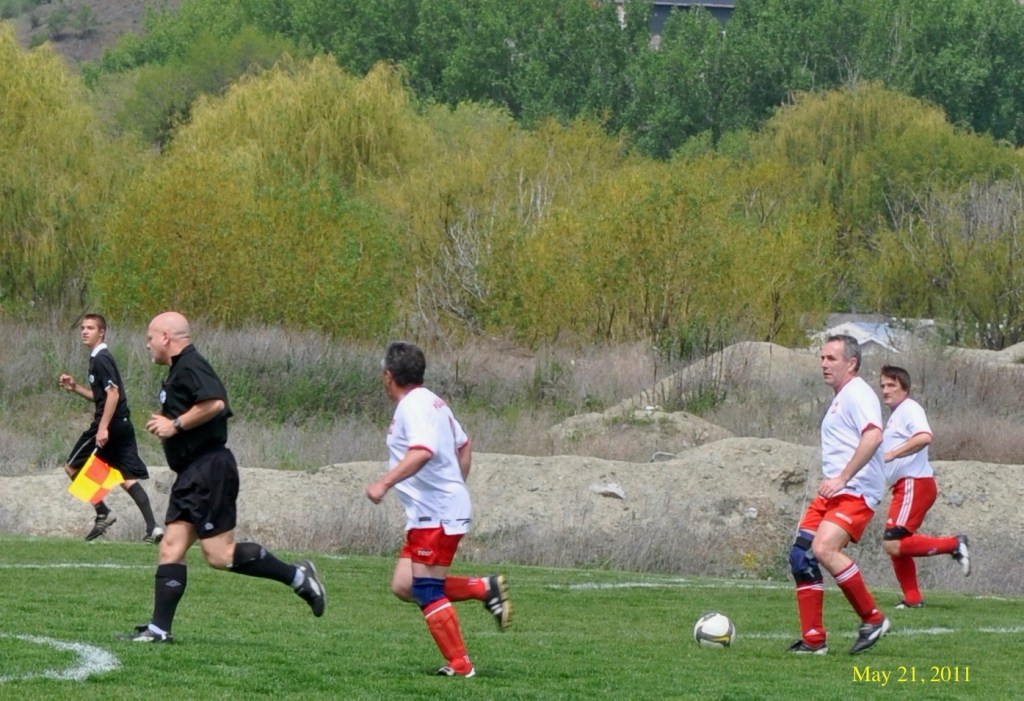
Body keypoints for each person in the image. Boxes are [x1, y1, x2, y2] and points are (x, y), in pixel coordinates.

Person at [120, 311, 325, 643]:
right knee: (171, 547)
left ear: (166, 338)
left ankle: (298, 577)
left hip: (209, 470)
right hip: (192, 472)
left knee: (220, 555)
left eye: (150, 337)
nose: (147, 345)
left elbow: (216, 403)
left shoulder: (191, 364)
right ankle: (159, 630)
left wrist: (175, 424)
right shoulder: (178, 370)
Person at [366, 341, 511, 678]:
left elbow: (422, 451)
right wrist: (454, 485)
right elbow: (464, 445)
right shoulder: (433, 402)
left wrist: (384, 483)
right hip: (433, 511)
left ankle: (461, 665)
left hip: (436, 513)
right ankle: (482, 588)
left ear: (388, 376)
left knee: (426, 590)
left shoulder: (413, 406)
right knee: (405, 585)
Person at [787, 334, 890, 655]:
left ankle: (873, 619)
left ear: (851, 363)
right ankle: (814, 640)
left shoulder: (858, 393)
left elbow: (874, 436)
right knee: (801, 557)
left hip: (855, 491)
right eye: (822, 358)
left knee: (823, 548)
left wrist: (843, 477)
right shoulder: (841, 397)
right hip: (835, 493)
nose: (824, 364)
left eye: (831, 358)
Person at [59, 313, 163, 544]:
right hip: (122, 424)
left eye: (90, 328)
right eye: (83, 328)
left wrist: (103, 428)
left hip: (109, 425)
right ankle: (153, 527)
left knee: (71, 466)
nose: (84, 331)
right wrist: (76, 388)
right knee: (126, 478)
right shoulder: (98, 358)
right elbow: (102, 396)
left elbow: (113, 394)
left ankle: (103, 512)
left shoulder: (101, 358)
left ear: (102, 332)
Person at [879, 365, 970, 608]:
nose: (885, 390)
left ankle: (955, 544)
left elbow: (924, 436)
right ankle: (913, 599)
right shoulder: (896, 415)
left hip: (914, 483)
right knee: (897, 545)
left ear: (905, 388)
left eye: (891, 385)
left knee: (893, 542)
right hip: (906, 485)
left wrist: (892, 454)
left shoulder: (909, 408)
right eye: (883, 385)